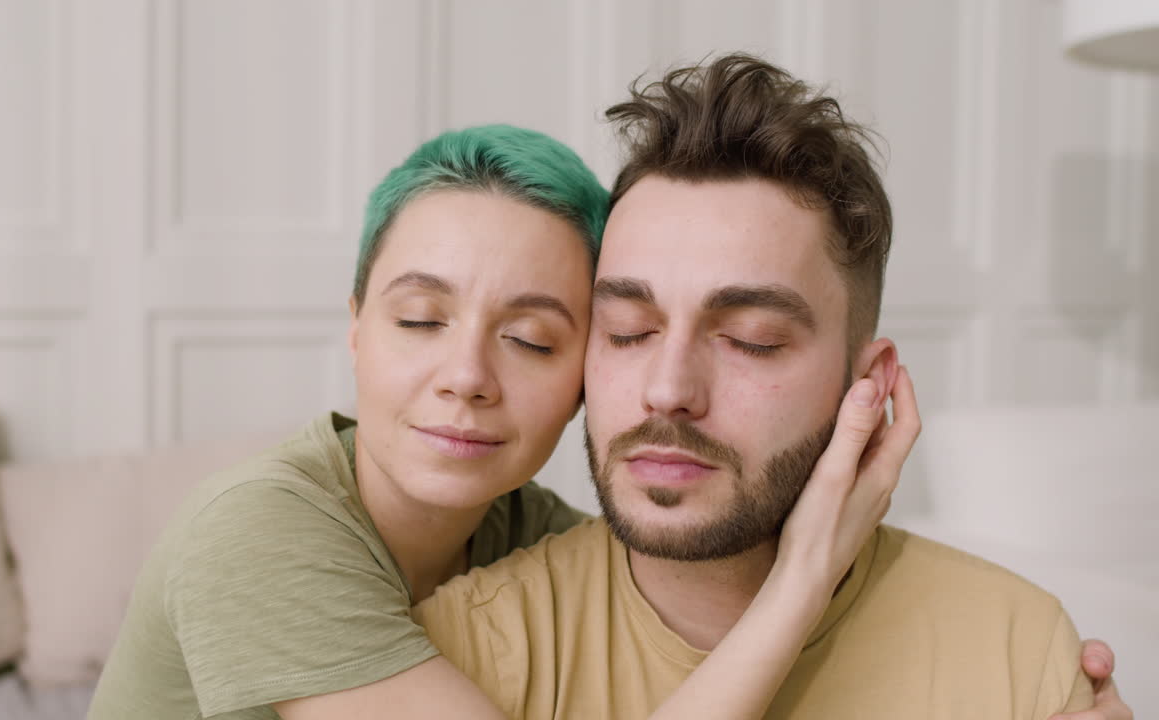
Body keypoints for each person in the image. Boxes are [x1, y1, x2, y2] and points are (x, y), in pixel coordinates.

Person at [88, 124, 915, 720]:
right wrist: (801, 578)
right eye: (419, 321)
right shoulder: (255, 532)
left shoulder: (541, 549)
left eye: (530, 339)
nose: (468, 379)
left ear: (592, 371)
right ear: (355, 329)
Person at [410, 53, 1134, 720]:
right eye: (628, 329)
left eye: (752, 339)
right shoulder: (467, 652)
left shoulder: (1013, 649)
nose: (667, 390)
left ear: (868, 386)